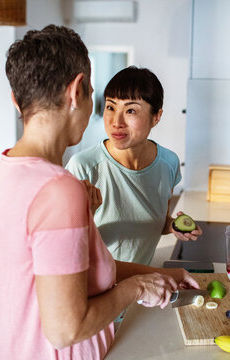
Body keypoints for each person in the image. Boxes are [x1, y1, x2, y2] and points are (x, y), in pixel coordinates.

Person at [0, 25, 198, 360]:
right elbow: (66, 330)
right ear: (77, 91)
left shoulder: (6, 171)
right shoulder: (59, 190)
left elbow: (79, 272)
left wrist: (164, 274)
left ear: (16, 100)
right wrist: (137, 287)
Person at [66, 66, 202, 265]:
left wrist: (174, 226)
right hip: (96, 285)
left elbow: (157, 221)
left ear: (156, 117)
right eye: (111, 107)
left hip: (141, 281)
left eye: (130, 110)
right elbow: (66, 246)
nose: (116, 122)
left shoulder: (169, 163)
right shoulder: (83, 167)